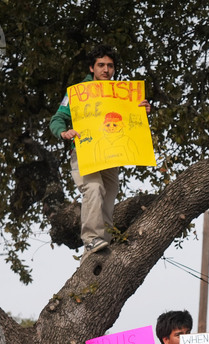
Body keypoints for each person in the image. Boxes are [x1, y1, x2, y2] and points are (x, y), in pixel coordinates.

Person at [48, 45, 151, 256]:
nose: (106, 70)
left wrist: (142, 111)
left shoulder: (121, 94)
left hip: (110, 155)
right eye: (101, 65)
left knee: (108, 195)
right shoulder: (77, 93)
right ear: (92, 68)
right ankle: (91, 238)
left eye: (110, 66)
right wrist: (63, 132)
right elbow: (57, 119)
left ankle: (103, 243)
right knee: (93, 189)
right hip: (84, 152)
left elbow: (129, 122)